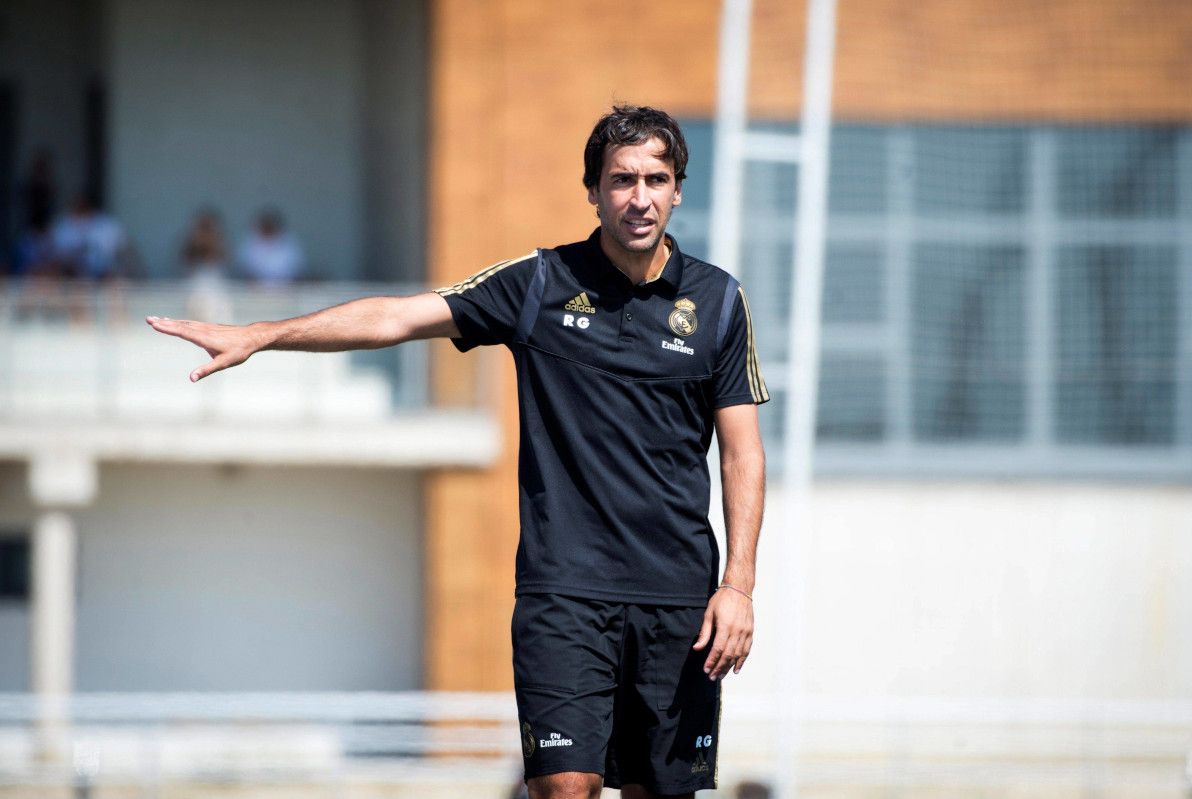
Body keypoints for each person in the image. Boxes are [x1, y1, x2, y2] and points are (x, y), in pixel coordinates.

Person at [146, 105, 768, 799]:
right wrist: (263, 334)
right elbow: (399, 315)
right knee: (565, 788)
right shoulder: (539, 284)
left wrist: (737, 585)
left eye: (656, 178)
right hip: (562, 592)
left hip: (677, 597)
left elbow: (742, 453)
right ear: (592, 189)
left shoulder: (717, 301)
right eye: (622, 179)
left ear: (678, 188)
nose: (640, 196)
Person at [237, 207, 304, 285]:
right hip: (255, 291)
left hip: (286, 290)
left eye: (270, 225)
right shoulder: (250, 242)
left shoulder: (290, 242)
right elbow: (244, 269)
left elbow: (298, 271)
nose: (268, 228)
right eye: (265, 225)